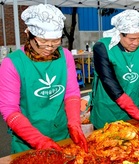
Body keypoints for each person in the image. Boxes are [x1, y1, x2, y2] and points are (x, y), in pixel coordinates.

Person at [0, 4, 88, 154]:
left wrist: (74, 123)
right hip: (28, 139)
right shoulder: (12, 63)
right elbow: (10, 109)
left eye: (55, 41)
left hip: (61, 133)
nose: (50, 47)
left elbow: (71, 93)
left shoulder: (65, 56)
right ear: (28, 34)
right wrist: (38, 139)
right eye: (43, 41)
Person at [89, 9, 139, 129]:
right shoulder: (102, 47)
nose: (136, 43)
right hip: (108, 109)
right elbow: (109, 82)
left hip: (134, 103)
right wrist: (135, 112)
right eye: (131, 39)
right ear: (120, 33)